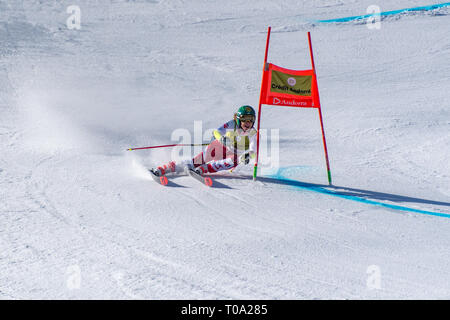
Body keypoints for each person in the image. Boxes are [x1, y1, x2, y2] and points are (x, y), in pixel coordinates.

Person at [153, 105, 258, 176]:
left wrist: (248, 156)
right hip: (221, 147)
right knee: (195, 162)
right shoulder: (232, 123)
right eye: (245, 119)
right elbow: (217, 132)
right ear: (239, 119)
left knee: (236, 159)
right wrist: (222, 138)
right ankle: (168, 168)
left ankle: (205, 168)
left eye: (250, 120)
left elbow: (253, 151)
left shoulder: (254, 133)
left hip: (232, 156)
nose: (247, 122)